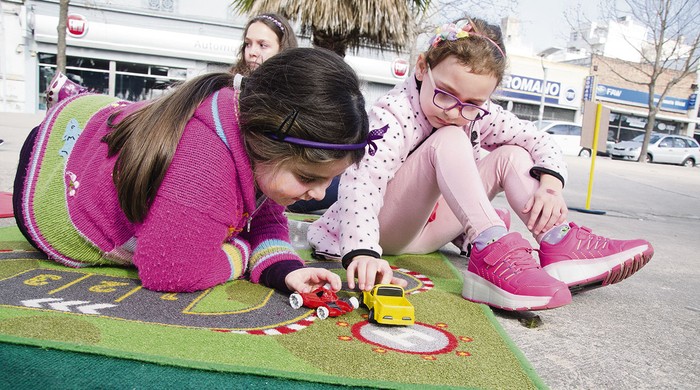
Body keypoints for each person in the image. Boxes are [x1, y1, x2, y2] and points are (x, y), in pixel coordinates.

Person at [308, 18, 654, 311]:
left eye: (472, 103)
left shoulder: (478, 113)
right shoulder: (395, 113)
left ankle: (557, 242)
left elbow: (539, 140)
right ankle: (491, 250)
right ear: (421, 67)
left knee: (512, 154)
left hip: (427, 233)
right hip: (381, 232)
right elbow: (362, 181)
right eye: (444, 92)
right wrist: (363, 251)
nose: (454, 110)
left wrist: (550, 186)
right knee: (450, 137)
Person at [13, 48, 378, 295]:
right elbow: (171, 271)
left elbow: (266, 219)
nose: (319, 194)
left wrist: (285, 269)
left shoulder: (255, 144)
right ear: (265, 143)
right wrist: (241, 249)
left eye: (331, 179)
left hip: (99, 125)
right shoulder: (204, 167)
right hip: (54, 179)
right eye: (309, 178)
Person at [229, 13, 297, 77]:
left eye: (262, 45)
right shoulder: (228, 87)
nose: (252, 52)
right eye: (248, 44)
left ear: (283, 50)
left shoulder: (298, 87)